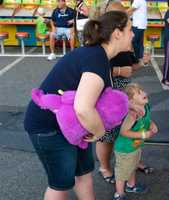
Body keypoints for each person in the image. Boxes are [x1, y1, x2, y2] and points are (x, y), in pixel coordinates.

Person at [24, 11, 133, 200]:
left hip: (74, 126)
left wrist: (130, 106)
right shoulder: (96, 59)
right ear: (117, 33)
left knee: (83, 173)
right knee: (60, 185)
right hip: (49, 127)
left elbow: (97, 101)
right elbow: (83, 108)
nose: (133, 34)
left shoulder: (99, 56)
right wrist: (99, 132)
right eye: (130, 29)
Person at [96, 1, 153, 184]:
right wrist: (119, 71)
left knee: (131, 125)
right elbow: (94, 70)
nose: (132, 31)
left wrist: (141, 62)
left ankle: (130, 160)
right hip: (107, 92)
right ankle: (104, 166)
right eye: (125, 22)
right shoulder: (98, 42)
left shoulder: (126, 40)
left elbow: (131, 66)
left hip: (125, 91)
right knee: (108, 133)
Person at [113, 84, 158, 200]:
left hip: (135, 147)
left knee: (133, 166)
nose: (143, 93)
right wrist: (143, 134)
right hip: (125, 149)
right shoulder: (132, 115)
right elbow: (123, 132)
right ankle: (119, 194)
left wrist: (152, 125)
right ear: (131, 101)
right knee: (122, 172)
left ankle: (131, 186)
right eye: (139, 92)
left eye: (142, 90)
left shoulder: (146, 107)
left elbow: (147, 119)